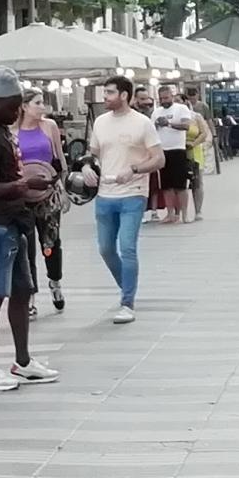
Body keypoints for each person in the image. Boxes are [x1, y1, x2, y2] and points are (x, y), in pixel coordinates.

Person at [0, 71, 58, 390]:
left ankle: (23, 361)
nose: (18, 112)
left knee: (21, 290)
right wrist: (23, 185)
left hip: (12, 222)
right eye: (14, 106)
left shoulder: (1, 130)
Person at [83, 77, 161, 325]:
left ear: (124, 95)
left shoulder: (142, 123)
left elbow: (159, 160)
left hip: (133, 192)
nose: (104, 97)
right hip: (105, 194)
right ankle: (127, 285)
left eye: (109, 93)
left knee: (127, 247)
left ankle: (127, 302)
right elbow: (92, 154)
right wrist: (86, 167)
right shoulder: (100, 122)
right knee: (106, 249)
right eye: (104, 92)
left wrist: (135, 169)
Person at [15, 96, 69, 313]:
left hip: (48, 192)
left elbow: (59, 159)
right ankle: (30, 295)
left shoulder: (49, 126)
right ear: (24, 107)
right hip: (23, 194)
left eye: (42, 102)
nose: (42, 107)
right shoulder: (12, 131)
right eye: (37, 102)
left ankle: (55, 281)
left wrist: (63, 187)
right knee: (25, 246)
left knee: (50, 242)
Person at [153, 87, 200, 227]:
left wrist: (168, 124)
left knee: (180, 185)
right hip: (162, 150)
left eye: (166, 98)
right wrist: (156, 124)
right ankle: (170, 213)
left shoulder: (181, 109)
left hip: (178, 150)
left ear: (171, 96)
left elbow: (186, 126)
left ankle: (185, 214)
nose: (163, 101)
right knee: (166, 185)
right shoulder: (156, 112)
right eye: (161, 98)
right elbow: (151, 129)